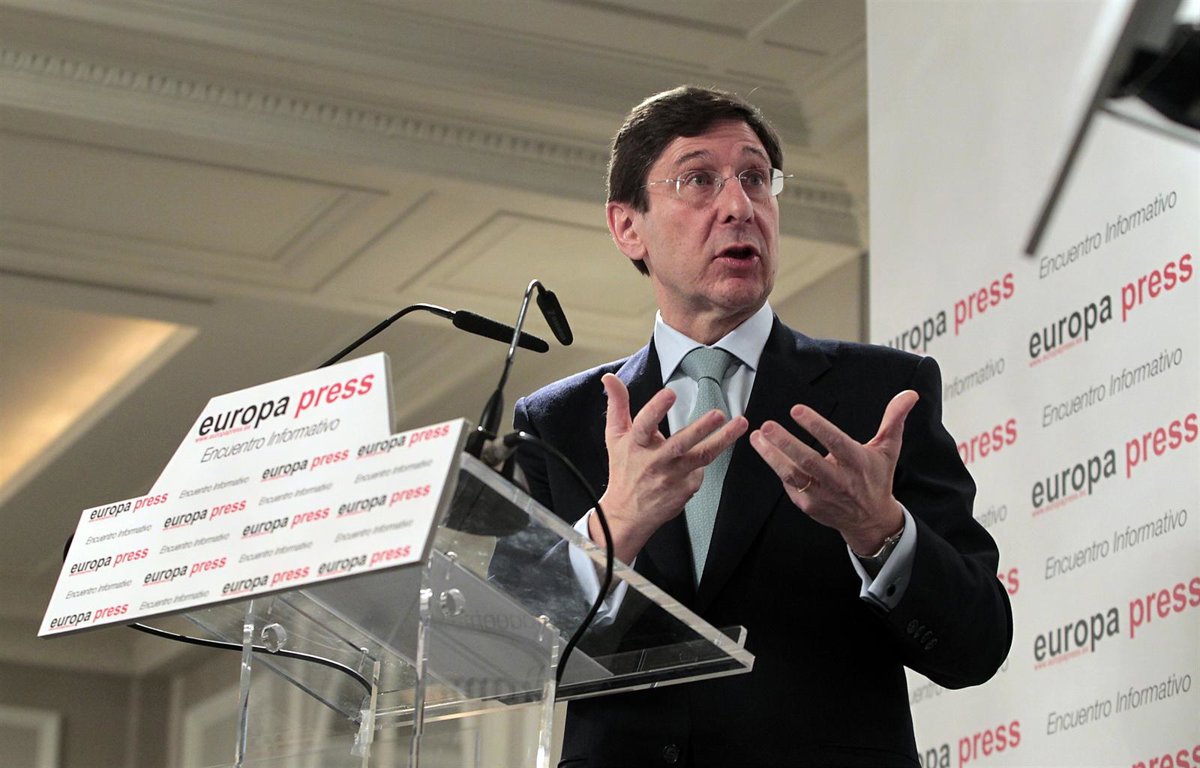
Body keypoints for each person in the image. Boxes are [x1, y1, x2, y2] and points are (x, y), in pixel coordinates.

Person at [510, 85, 1012, 768]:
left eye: (755, 178)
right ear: (628, 226)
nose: (739, 206)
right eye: (698, 180)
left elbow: (977, 645)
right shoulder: (559, 423)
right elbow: (508, 648)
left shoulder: (881, 394)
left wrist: (880, 531)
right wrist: (616, 525)